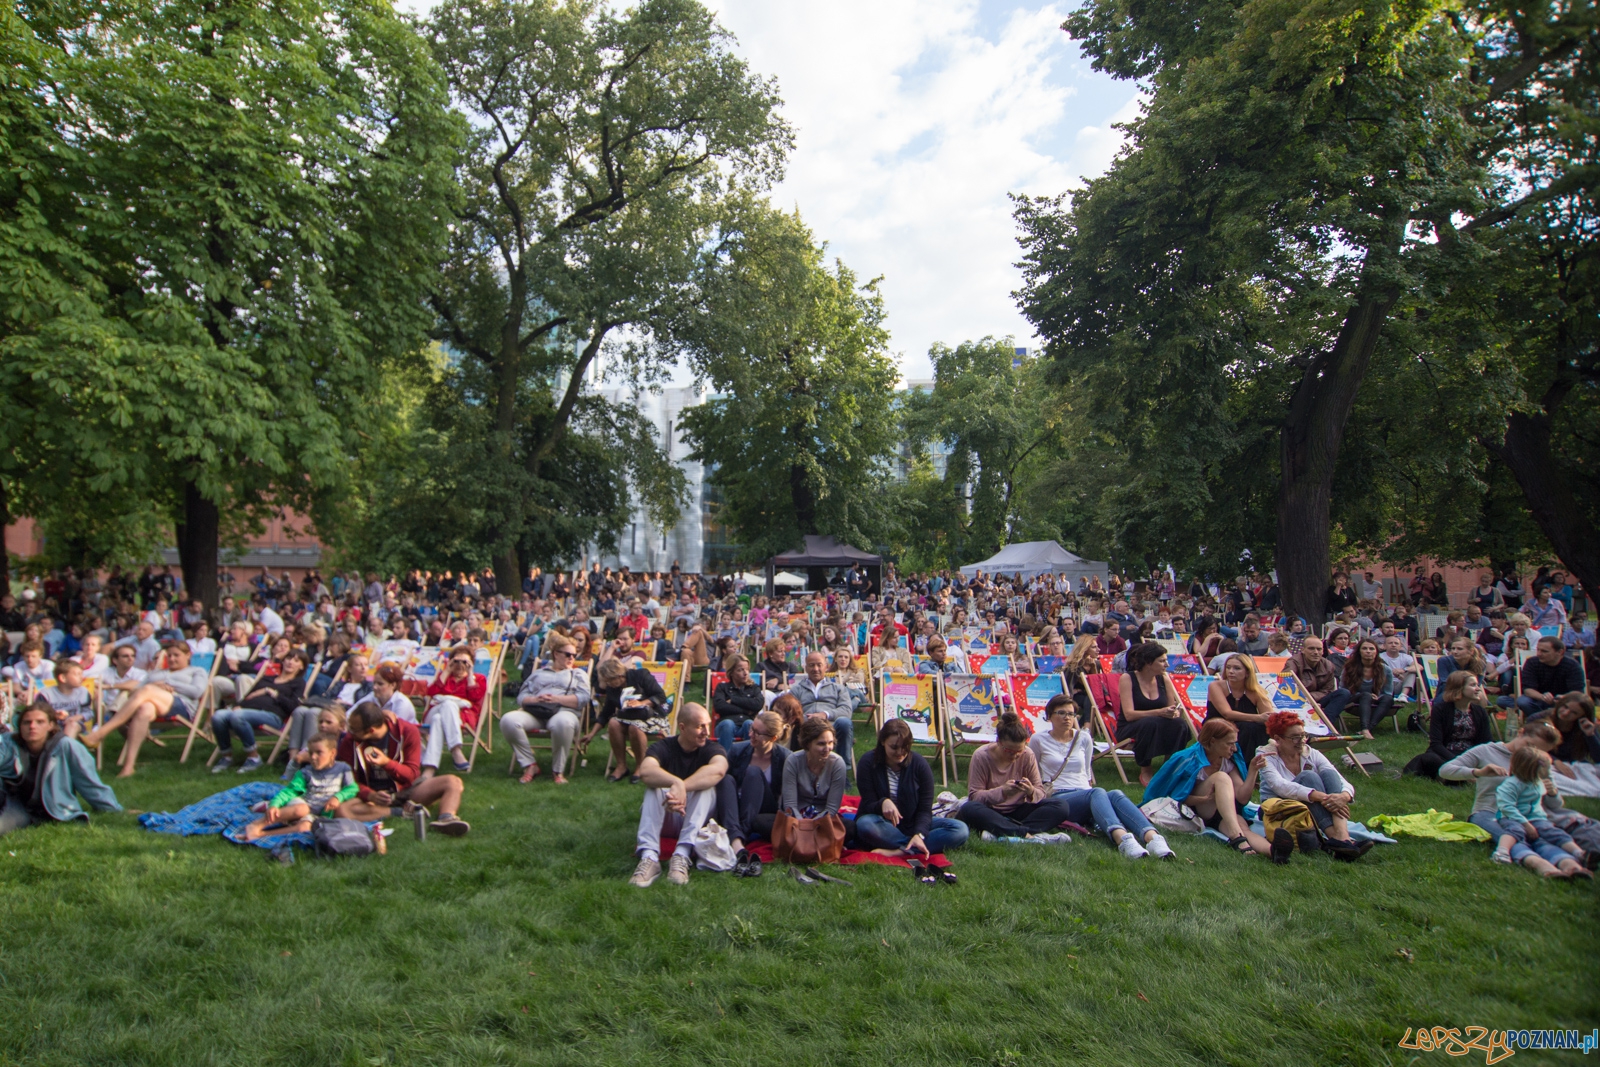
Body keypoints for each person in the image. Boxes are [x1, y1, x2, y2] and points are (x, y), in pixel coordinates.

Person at [1027, 695, 1173, 859]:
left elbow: (1087, 772)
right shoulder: (1038, 740)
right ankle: (1123, 839)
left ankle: (1153, 838)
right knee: (1097, 792)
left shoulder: (1083, 737)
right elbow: (1032, 772)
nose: (1067, 718)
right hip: (1058, 796)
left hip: (1086, 793)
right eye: (1061, 713)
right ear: (1049, 716)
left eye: (1071, 713)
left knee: (1116, 793)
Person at [1438, 720, 1575, 878]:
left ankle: (1569, 864)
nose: (1531, 752)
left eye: (1539, 750)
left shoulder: (1540, 761)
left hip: (1527, 815)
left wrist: (1552, 792)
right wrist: (1478, 772)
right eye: (1529, 744)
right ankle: (1539, 864)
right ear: (1520, 733)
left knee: (1540, 837)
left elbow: (1555, 804)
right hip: (1489, 812)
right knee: (1513, 835)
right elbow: (1445, 770)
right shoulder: (1487, 751)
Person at [1144, 719, 1282, 861]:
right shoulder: (1187, 758)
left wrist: (1253, 771)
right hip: (1194, 811)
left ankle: (1274, 852)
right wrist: (1203, 799)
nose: (1234, 748)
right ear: (1212, 741)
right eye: (1229, 743)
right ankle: (1237, 837)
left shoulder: (1228, 760)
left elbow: (1242, 798)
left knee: (1243, 828)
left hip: (1221, 813)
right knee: (1221, 778)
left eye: (1235, 743)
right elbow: (1173, 796)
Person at [628, 703, 727, 888]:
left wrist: (683, 786)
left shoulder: (711, 748)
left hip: (697, 819)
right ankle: (649, 857)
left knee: (706, 788)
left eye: (708, 725)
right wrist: (676, 784)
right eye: (700, 726)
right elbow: (646, 771)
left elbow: (719, 770)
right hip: (667, 812)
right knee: (653, 788)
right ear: (682, 727)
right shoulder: (664, 747)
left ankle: (682, 854)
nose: (706, 731)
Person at [335, 700, 469, 835]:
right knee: (342, 810)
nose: (349, 732)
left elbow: (412, 773)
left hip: (407, 789)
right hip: (373, 794)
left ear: (371, 730)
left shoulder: (407, 731)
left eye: (354, 729)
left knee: (453, 782)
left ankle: (446, 818)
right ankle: (402, 812)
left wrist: (386, 763)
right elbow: (349, 780)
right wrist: (370, 795)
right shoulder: (350, 741)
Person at [83, 641, 210, 777]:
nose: (172, 659)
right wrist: (156, 685)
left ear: (188, 655)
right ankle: (128, 767)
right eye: (169, 655)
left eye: (176, 655)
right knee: (144, 708)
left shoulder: (196, 671)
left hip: (181, 705)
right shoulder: (156, 673)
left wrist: (167, 684)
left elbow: (197, 692)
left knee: (148, 689)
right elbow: (135, 692)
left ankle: (100, 733)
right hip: (154, 704)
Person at [1258, 711, 1371, 859]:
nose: (1302, 740)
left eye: (1303, 735)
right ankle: (1336, 839)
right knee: (1308, 776)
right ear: (1278, 739)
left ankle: (1342, 838)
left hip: (1312, 802)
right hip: (1278, 806)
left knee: (1329, 774)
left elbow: (1339, 778)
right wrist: (1320, 796)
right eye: (1295, 737)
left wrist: (1344, 796)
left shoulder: (1310, 752)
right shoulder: (1265, 755)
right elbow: (1280, 786)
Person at [0, 703, 121, 835]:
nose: (32, 726)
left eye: (39, 722)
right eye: (26, 722)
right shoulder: (9, 743)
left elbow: (89, 782)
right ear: (20, 726)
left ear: (51, 725)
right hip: (17, 804)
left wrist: (112, 808)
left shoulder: (66, 746)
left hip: (54, 807)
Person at [854, 718, 968, 858]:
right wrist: (883, 802)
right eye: (894, 747)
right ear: (882, 742)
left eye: (905, 747)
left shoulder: (920, 765)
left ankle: (901, 850)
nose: (900, 752)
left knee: (960, 829)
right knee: (864, 824)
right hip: (881, 822)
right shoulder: (868, 762)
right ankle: (911, 847)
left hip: (913, 822)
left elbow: (925, 810)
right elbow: (868, 802)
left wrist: (919, 833)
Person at [957, 712, 1074, 842]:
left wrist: (1030, 791)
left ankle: (1005, 832)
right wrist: (1002, 791)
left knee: (1061, 806)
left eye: (1019, 751)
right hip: (990, 810)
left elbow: (1040, 793)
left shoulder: (1027, 755)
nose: (1015, 756)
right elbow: (975, 797)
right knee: (969, 808)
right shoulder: (981, 756)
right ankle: (1027, 834)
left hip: (1018, 810)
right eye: (1009, 751)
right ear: (999, 742)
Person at [1491, 746, 1591, 879]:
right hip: (1512, 817)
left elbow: (1556, 803)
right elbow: (1506, 807)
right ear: (1530, 769)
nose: (1547, 772)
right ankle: (1501, 852)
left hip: (1536, 818)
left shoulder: (1539, 781)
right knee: (1516, 830)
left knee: (1552, 831)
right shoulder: (1511, 784)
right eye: (1544, 768)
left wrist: (1553, 791)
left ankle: (1579, 853)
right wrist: (1526, 824)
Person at [243, 733, 359, 842]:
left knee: (304, 828)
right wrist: (275, 805)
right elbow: (290, 791)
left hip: (319, 814)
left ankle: (261, 834)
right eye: (311, 753)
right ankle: (256, 824)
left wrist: (338, 797)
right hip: (303, 804)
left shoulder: (343, 769)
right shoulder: (306, 772)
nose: (313, 757)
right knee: (301, 809)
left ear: (332, 753)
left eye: (319, 753)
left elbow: (352, 788)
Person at [211, 649, 311, 774]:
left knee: (238, 716)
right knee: (218, 716)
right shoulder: (267, 679)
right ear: (283, 661)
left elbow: (294, 706)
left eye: (296, 661)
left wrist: (272, 693)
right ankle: (226, 756)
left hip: (272, 716)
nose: (291, 662)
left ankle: (253, 758)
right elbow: (249, 696)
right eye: (289, 658)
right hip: (248, 711)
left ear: (301, 666)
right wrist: (239, 705)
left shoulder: (298, 683)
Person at [1115, 641, 1191, 786]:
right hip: (1131, 727)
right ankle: (1146, 769)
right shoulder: (1128, 678)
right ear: (1149, 662)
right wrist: (1159, 712)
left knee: (1180, 724)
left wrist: (1173, 713)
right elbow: (1129, 714)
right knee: (1149, 723)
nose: (1167, 664)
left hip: (1158, 724)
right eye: (1162, 661)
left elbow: (1171, 708)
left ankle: (1170, 765)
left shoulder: (1164, 679)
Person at [589, 651, 666, 783]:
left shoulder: (640, 675)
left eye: (609, 681)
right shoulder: (613, 688)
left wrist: (641, 703)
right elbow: (606, 713)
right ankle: (621, 766)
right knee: (613, 722)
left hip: (651, 716)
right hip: (628, 717)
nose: (607, 684)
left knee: (634, 727)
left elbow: (660, 696)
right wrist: (591, 734)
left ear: (619, 676)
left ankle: (640, 766)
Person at [1407, 671, 1496, 779]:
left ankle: (1459, 776)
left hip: (1472, 755)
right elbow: (1436, 744)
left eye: (1477, 685)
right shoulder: (1440, 710)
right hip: (1446, 754)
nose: (1478, 689)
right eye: (1473, 685)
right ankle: (1464, 776)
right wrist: (1458, 761)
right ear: (1459, 688)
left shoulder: (1479, 712)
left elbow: (1487, 742)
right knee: (1428, 759)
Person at [727, 708, 790, 846]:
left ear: (773, 738)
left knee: (753, 773)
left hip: (765, 808)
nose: (750, 734)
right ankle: (736, 832)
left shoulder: (785, 758)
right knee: (726, 780)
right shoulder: (737, 750)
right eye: (751, 728)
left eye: (757, 733)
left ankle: (740, 833)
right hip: (739, 803)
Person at [789, 652, 856, 782]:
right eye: (811, 665)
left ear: (826, 666)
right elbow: (790, 711)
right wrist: (806, 719)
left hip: (832, 724)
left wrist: (825, 714)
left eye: (819, 665)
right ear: (805, 668)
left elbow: (847, 710)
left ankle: (843, 773)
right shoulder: (797, 690)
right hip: (807, 725)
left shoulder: (838, 688)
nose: (815, 669)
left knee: (845, 722)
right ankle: (800, 771)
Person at [418, 647, 484, 777]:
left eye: (464, 662)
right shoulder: (445, 677)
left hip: (463, 717)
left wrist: (470, 674)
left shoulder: (479, 678)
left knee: (438, 719)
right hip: (437, 711)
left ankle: (429, 768)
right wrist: (447, 670)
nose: (460, 665)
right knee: (448, 705)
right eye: (456, 661)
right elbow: (431, 693)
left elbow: (475, 697)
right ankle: (455, 749)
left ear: (471, 663)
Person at [1205, 653, 1274, 764]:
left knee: (1262, 728)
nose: (1231, 671)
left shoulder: (1255, 691)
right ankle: (1245, 767)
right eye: (1228, 667)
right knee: (1249, 728)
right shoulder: (1216, 686)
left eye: (1237, 668)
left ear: (1247, 672)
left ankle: (1263, 766)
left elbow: (1268, 717)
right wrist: (1258, 717)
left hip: (1246, 730)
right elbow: (1227, 714)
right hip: (1217, 727)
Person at [781, 716, 848, 825]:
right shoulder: (793, 761)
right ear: (808, 743)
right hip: (796, 816)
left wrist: (814, 825)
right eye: (821, 744)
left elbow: (832, 808)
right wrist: (801, 824)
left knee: (850, 828)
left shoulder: (837, 763)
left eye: (830, 743)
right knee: (763, 823)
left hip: (824, 818)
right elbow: (790, 804)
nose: (827, 748)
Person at [1287, 636, 1351, 723]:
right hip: (1298, 700)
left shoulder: (1328, 665)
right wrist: (1309, 700)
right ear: (1303, 650)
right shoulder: (1293, 663)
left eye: (1319, 649)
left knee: (1344, 693)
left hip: (1319, 699)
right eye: (1311, 649)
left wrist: (1313, 699)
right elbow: (1287, 687)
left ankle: (1326, 724)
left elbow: (1328, 690)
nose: (1316, 652)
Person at [1518, 636, 1584, 719]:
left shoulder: (1572, 665)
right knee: (1522, 701)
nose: (1538, 654)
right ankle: (1544, 719)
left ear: (1559, 652)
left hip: (1564, 701)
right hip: (1538, 699)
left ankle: (1545, 719)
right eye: (1538, 650)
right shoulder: (1532, 662)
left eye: (1544, 651)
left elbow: (1577, 691)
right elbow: (1528, 690)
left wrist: (1563, 698)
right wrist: (1543, 697)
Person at [1341, 636, 1394, 738]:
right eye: (1364, 648)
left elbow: (1388, 692)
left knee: (1388, 699)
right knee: (1366, 696)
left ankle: (1367, 729)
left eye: (1371, 649)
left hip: (1376, 698)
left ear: (1376, 652)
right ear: (1359, 652)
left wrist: (1378, 697)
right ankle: (1365, 728)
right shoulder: (1349, 668)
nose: (1368, 651)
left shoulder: (1386, 669)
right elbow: (1344, 690)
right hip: (1354, 699)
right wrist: (1365, 695)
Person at [1528, 692, 1599, 768]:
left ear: (1582, 716)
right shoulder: (1538, 719)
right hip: (1544, 762)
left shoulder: (1585, 726)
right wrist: (1555, 760)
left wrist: (1590, 736)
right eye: (1565, 707)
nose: (1566, 713)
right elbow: (1529, 747)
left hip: (1574, 765)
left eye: (1574, 713)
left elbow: (1598, 759)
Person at [710, 654, 764, 749]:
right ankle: (725, 761)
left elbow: (758, 704)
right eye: (740, 670)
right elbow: (720, 706)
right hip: (724, 727)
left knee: (749, 723)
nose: (745, 673)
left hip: (745, 724)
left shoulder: (753, 688)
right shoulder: (722, 687)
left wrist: (734, 700)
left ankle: (748, 759)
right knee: (728, 724)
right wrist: (747, 710)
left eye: (747, 669)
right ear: (731, 672)